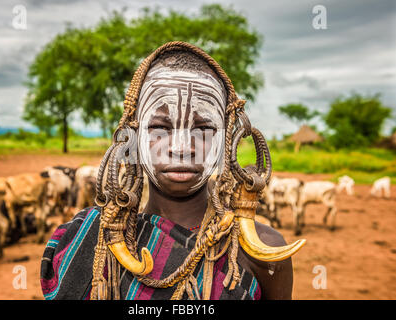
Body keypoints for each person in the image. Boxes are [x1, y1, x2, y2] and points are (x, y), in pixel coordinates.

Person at [40, 41, 306, 300]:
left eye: (203, 129)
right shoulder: (88, 242)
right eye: (160, 128)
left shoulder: (262, 250)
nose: (181, 147)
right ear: (132, 137)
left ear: (226, 139)